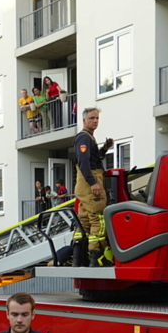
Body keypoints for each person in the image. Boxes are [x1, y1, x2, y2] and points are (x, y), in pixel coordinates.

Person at [74, 107, 114, 268]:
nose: (95, 121)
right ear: (84, 120)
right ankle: (95, 258)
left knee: (84, 219)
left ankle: (77, 258)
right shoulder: (84, 138)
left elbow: (94, 158)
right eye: (92, 118)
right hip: (90, 180)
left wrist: (105, 148)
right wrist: (93, 183)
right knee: (98, 218)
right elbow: (84, 162)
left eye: (97, 118)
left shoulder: (88, 138)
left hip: (84, 182)